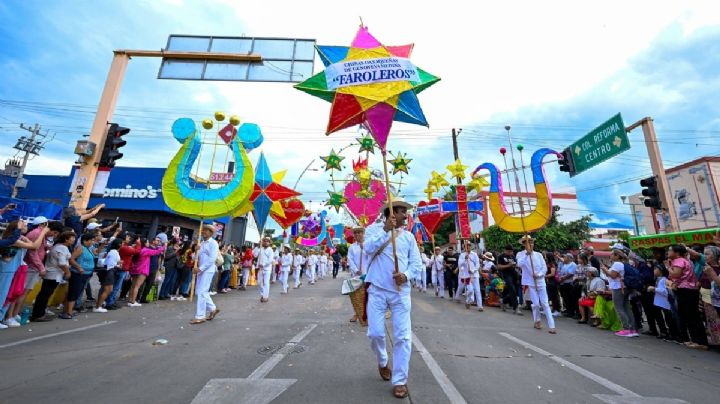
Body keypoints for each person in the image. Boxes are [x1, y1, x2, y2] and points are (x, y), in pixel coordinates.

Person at [364, 198, 423, 399]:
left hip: (400, 292)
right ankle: (382, 361)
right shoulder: (373, 231)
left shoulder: (408, 237)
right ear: (391, 214)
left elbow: (416, 264)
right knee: (375, 334)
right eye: (401, 212)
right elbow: (368, 248)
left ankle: (399, 380)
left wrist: (405, 275)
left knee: (403, 337)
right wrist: (385, 231)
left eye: (405, 212)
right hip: (378, 291)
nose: (405, 216)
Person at [11, 218, 63, 322]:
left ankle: (16, 313)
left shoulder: (40, 234)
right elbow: (32, 252)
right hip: (31, 266)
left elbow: (37, 248)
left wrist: (46, 247)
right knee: (22, 292)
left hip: (32, 267)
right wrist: (41, 267)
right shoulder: (37, 233)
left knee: (26, 291)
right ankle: (13, 315)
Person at [0, 220, 49, 325]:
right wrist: (43, 233)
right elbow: (34, 246)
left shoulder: (19, 238)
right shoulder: (13, 240)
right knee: (3, 294)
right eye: (24, 225)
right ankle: (3, 317)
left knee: (10, 294)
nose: (27, 227)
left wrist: (26, 238)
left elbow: (32, 244)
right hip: (7, 269)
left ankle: (3, 316)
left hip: (14, 269)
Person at [667, 244, 707, 349]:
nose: (668, 252)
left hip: (686, 290)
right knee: (689, 316)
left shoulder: (679, 261)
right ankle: (695, 340)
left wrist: (668, 267)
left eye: (670, 250)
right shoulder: (683, 260)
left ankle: (700, 341)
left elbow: (676, 274)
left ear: (676, 253)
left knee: (692, 316)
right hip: (687, 290)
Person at [30, 231, 76, 322]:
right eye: (72, 238)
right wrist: (67, 272)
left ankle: (39, 313)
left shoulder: (61, 247)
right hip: (53, 274)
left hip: (54, 274)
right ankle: (38, 314)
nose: (73, 240)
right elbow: (62, 263)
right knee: (44, 295)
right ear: (66, 239)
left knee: (45, 295)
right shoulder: (61, 248)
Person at [517, 235, 556, 334]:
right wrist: (527, 255)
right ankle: (537, 321)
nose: (530, 244)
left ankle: (552, 325)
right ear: (523, 244)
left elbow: (544, 268)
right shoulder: (520, 254)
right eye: (527, 242)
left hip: (540, 281)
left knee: (545, 304)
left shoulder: (539, 255)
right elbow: (519, 264)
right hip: (530, 283)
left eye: (531, 242)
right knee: (536, 304)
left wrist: (538, 275)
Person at [602, 249, 638, 337]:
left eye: (612, 255)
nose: (610, 256)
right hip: (625, 287)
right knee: (626, 308)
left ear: (617, 256)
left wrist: (605, 270)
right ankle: (632, 329)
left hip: (618, 288)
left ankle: (626, 329)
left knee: (619, 308)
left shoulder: (617, 264)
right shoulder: (624, 263)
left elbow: (613, 276)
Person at [61, 233, 97, 319]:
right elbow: (71, 259)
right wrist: (79, 267)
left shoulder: (88, 249)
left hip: (85, 275)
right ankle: (68, 312)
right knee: (74, 293)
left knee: (76, 293)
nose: (93, 242)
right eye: (91, 240)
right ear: (85, 241)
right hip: (77, 274)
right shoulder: (81, 248)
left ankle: (67, 311)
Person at [190, 224, 221, 324]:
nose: (203, 232)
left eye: (206, 230)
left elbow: (212, 259)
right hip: (200, 270)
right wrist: (195, 250)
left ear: (211, 233)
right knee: (200, 292)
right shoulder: (201, 243)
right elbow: (194, 258)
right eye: (203, 230)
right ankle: (212, 308)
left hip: (207, 270)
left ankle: (200, 316)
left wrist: (200, 269)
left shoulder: (214, 243)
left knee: (202, 292)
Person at [127, 238, 165, 307]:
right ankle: (133, 302)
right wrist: (163, 246)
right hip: (142, 270)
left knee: (133, 286)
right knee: (137, 286)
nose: (148, 243)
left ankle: (130, 300)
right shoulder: (145, 250)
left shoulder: (139, 249)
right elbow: (156, 252)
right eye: (147, 242)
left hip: (136, 269)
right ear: (144, 243)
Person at [649, 265, 677, 341]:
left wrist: (654, 289)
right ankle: (663, 332)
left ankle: (672, 334)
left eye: (656, 269)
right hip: (658, 302)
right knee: (659, 318)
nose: (654, 270)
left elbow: (665, 291)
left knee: (668, 318)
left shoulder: (664, 280)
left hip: (664, 303)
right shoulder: (658, 279)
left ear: (660, 271)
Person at [94, 238, 123, 313]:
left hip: (110, 271)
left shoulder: (114, 251)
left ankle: (99, 305)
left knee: (106, 289)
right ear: (119, 244)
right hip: (109, 272)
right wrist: (118, 264)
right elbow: (110, 263)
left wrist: (117, 263)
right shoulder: (113, 252)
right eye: (122, 243)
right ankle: (98, 306)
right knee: (108, 290)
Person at [701, 245, 720, 346]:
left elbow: (715, 284)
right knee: (711, 321)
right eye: (704, 254)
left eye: (707, 254)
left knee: (716, 321)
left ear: (715, 256)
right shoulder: (706, 267)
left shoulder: (715, 269)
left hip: (713, 299)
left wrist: (711, 273)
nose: (705, 256)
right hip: (706, 299)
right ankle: (716, 341)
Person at [498, 245, 523, 315]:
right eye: (509, 251)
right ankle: (516, 308)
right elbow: (499, 266)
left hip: (514, 275)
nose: (510, 253)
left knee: (515, 291)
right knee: (512, 289)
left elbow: (516, 264)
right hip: (506, 275)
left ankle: (503, 301)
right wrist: (508, 265)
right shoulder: (501, 256)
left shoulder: (513, 257)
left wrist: (515, 266)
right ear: (505, 250)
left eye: (511, 251)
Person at [458, 241, 482, 311]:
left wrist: (473, 270)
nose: (468, 247)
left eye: (469, 245)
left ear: (471, 246)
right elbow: (460, 264)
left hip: (475, 275)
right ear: (464, 247)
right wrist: (465, 259)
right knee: (470, 290)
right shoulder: (462, 255)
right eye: (466, 245)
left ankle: (480, 306)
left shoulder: (474, 254)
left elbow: (477, 264)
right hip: (467, 276)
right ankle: (468, 301)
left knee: (477, 290)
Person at [558, 253, 578, 317]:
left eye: (565, 257)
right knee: (565, 298)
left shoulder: (573, 264)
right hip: (563, 283)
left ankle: (571, 312)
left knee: (570, 298)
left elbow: (571, 274)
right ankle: (568, 310)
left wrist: (563, 278)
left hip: (569, 283)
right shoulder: (565, 264)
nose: (564, 259)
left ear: (569, 258)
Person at [544, 252, 562, 317]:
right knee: (551, 296)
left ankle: (557, 310)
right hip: (550, 282)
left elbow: (552, 274)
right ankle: (553, 309)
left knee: (555, 296)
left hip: (553, 282)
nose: (545, 257)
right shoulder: (549, 264)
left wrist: (544, 276)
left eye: (546, 256)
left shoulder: (552, 264)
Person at [256, 237, 274, 302]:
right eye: (264, 241)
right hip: (260, 268)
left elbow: (270, 260)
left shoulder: (270, 250)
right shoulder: (261, 249)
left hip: (267, 269)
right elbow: (255, 255)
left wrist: (263, 264)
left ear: (269, 243)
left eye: (267, 241)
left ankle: (265, 296)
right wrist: (258, 246)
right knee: (259, 282)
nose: (265, 242)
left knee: (266, 283)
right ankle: (263, 294)